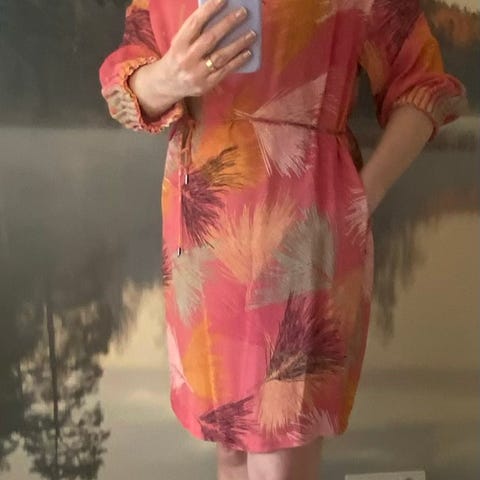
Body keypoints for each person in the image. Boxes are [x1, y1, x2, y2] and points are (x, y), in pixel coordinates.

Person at [98, 0, 468, 479]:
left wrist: (363, 195)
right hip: (201, 229)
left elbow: (422, 83)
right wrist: (169, 78)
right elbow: (125, 91)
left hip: (304, 223)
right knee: (229, 443)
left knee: (281, 451)